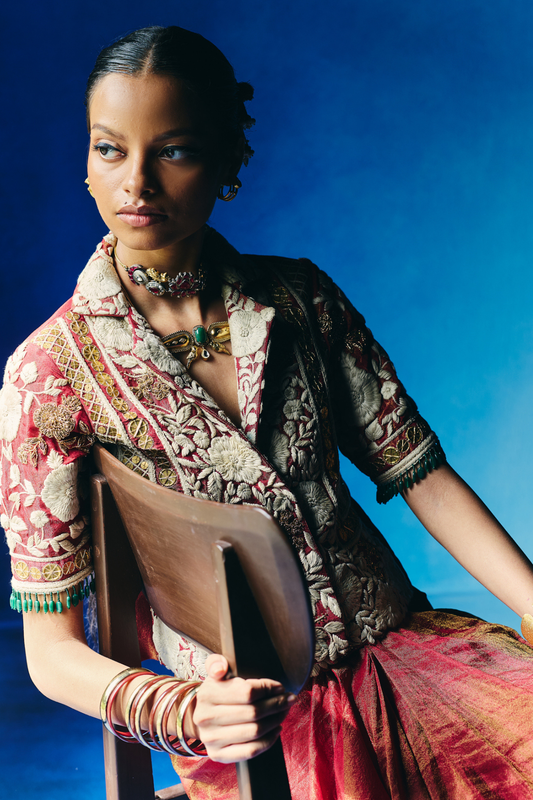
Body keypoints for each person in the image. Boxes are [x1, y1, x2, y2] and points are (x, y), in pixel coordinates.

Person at [1, 24, 533, 799]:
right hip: (257, 721)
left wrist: (529, 600)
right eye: (109, 149)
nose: (136, 183)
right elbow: (48, 651)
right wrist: (185, 711)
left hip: (409, 657)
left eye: (174, 150)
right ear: (87, 162)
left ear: (228, 162)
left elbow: (420, 474)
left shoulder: (302, 300)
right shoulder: (49, 373)